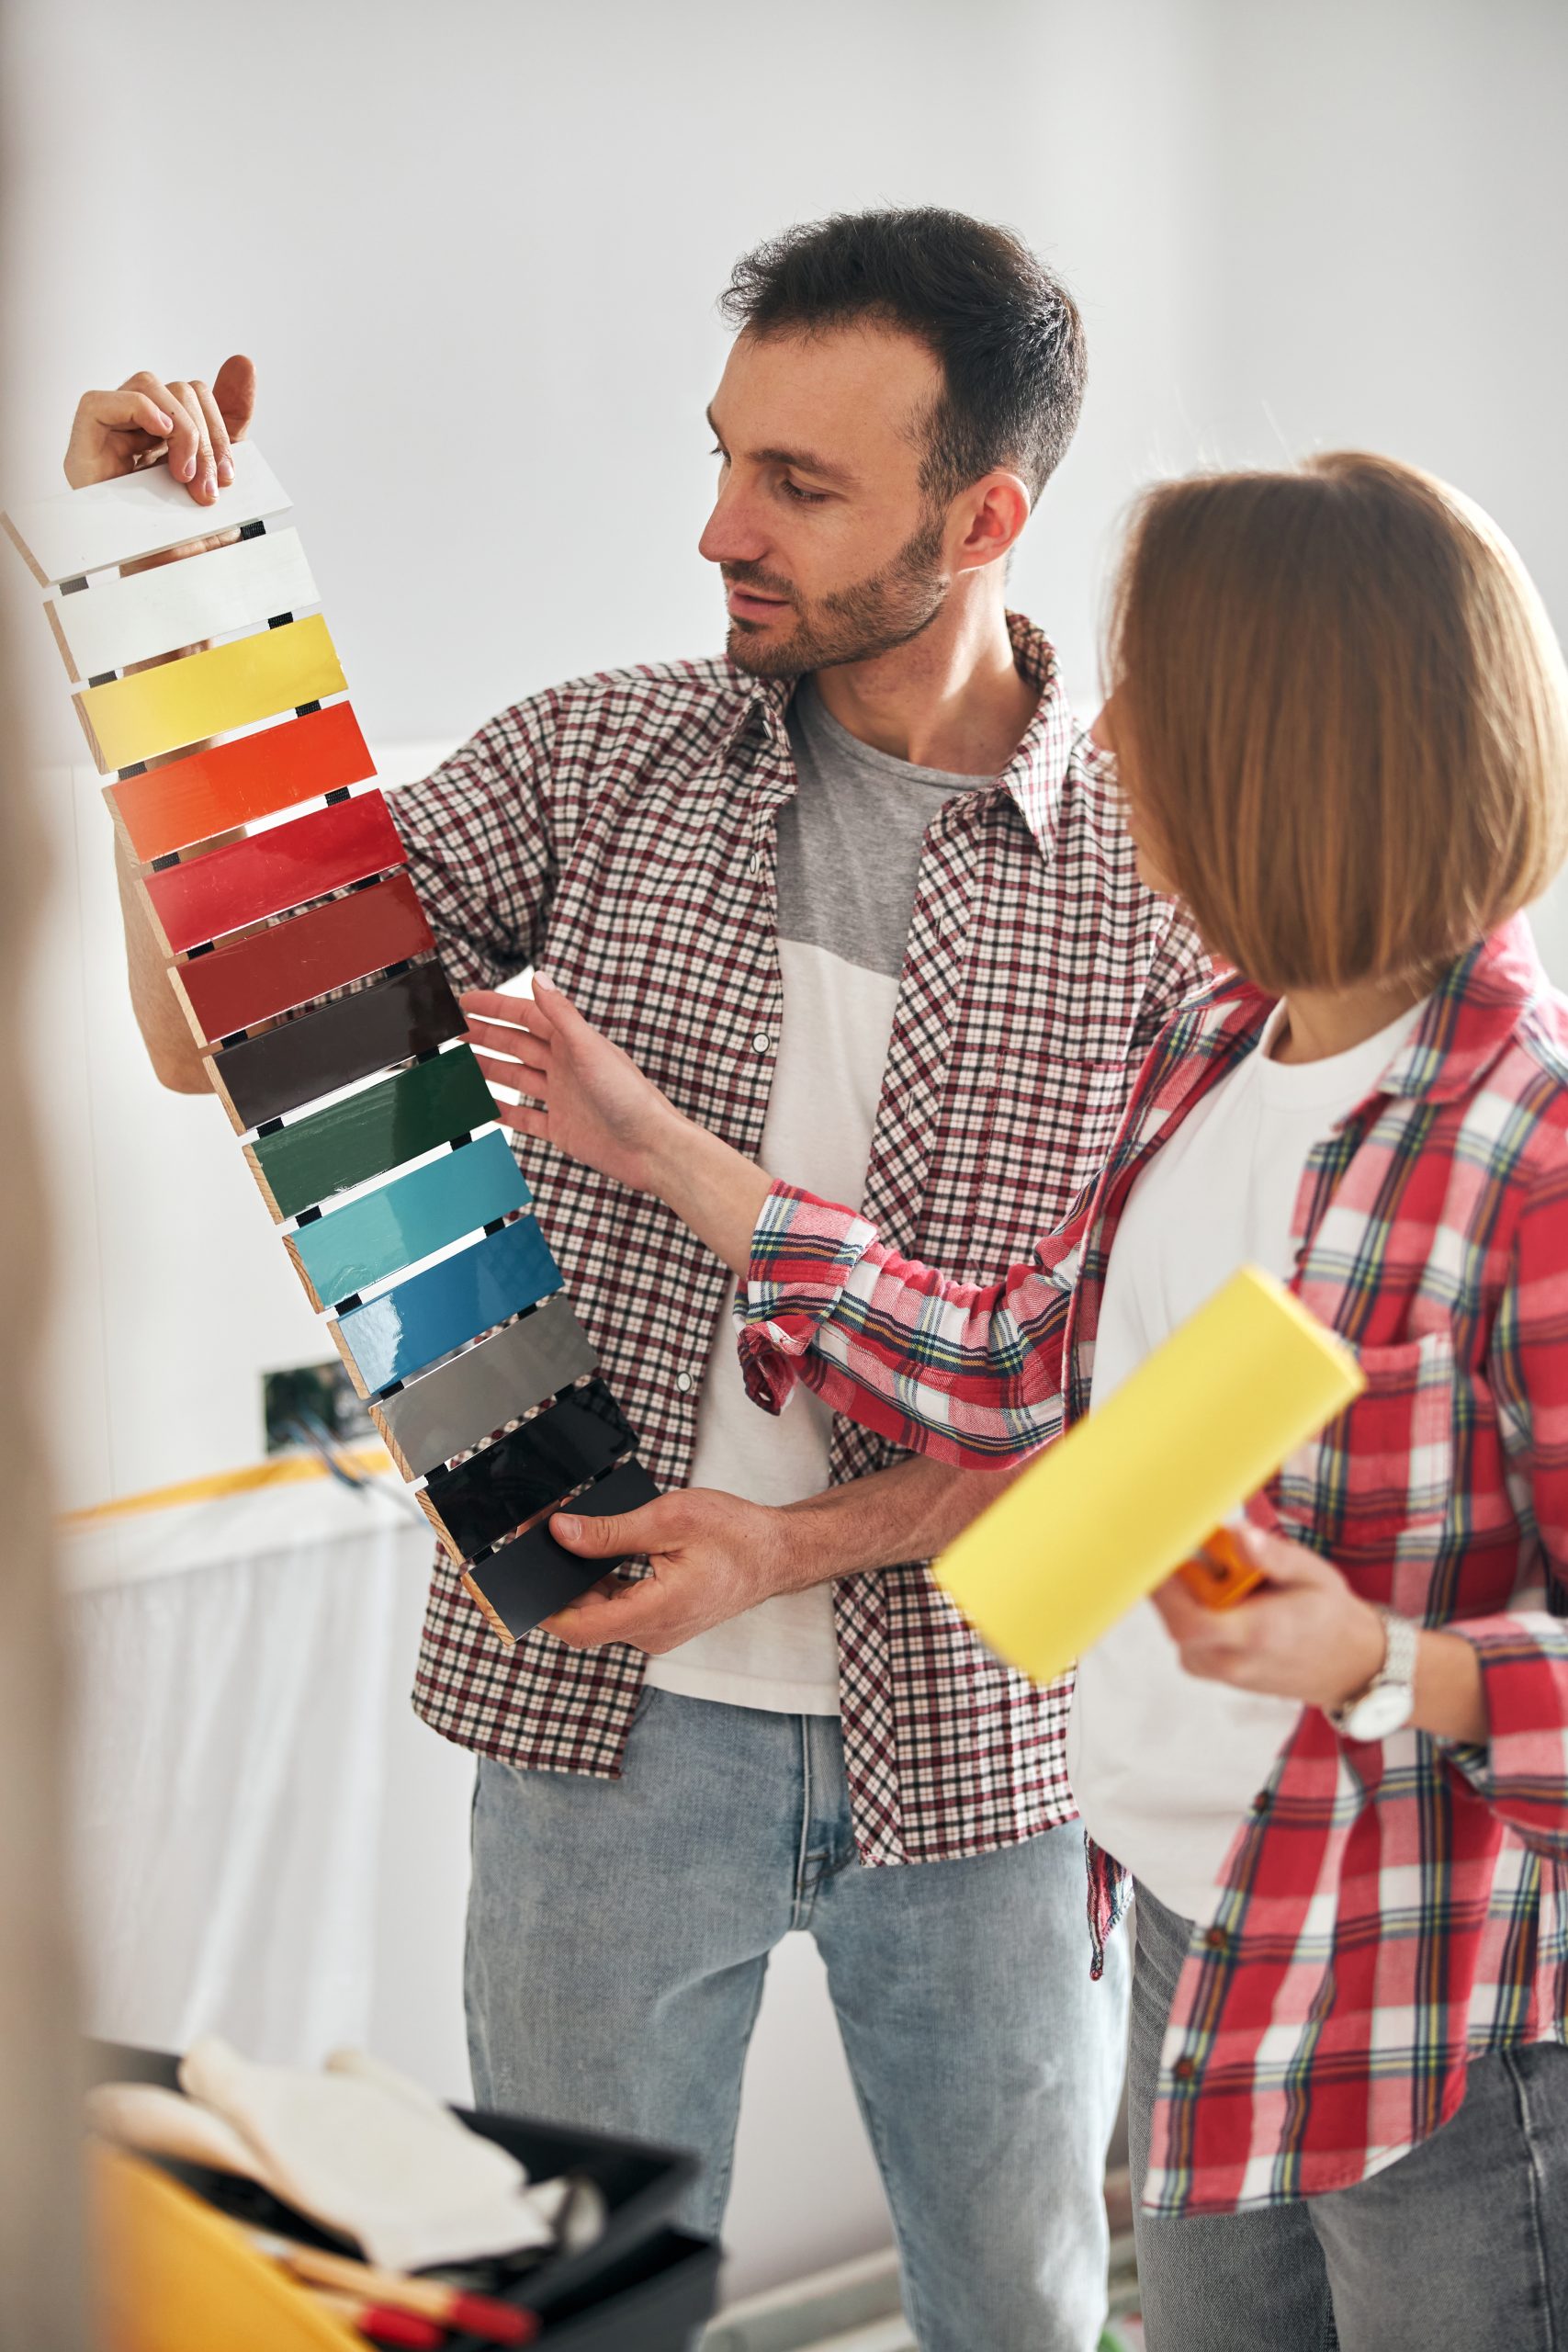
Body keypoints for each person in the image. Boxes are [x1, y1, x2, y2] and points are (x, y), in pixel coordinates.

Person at [71, 209, 1206, 2350]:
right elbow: (217, 1017)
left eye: (798, 485)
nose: (716, 527)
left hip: (980, 1747)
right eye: (721, 456)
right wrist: (157, 599)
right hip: (602, 1732)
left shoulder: (1160, 883)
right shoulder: (601, 760)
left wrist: (787, 1547)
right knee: (567, 2317)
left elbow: (1131, 1418)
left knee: (1028, 2308)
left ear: (981, 519)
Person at [508, 450, 1568, 2351]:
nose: (1114, 729)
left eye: (1156, 684)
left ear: (1282, 734)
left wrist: (1385, 1665)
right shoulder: (1215, 1042)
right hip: (1188, 1939)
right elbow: (1022, 1372)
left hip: (1424, 2010)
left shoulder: (1528, 1151)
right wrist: (670, 1156)